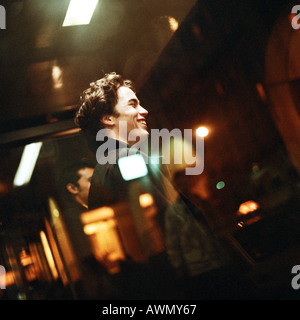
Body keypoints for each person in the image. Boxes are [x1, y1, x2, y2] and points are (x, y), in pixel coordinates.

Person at [74, 72, 180, 299]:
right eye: (133, 104)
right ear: (108, 118)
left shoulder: (105, 164)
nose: (144, 111)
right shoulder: (127, 158)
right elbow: (165, 221)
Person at [59, 161, 115, 299]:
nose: (98, 184)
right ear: (73, 188)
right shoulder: (71, 221)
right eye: (91, 180)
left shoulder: (108, 202)